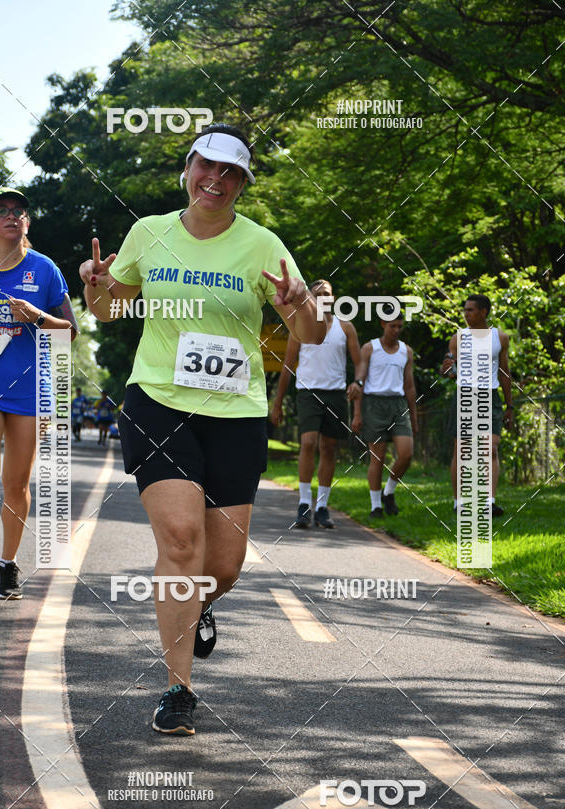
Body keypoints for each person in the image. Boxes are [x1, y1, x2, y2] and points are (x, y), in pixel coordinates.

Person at [79, 123, 325, 736]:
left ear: (241, 184)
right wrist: (95, 285)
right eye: (206, 166)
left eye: (230, 173)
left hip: (235, 412)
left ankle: (200, 605)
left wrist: (300, 303)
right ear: (188, 169)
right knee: (181, 543)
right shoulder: (149, 233)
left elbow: (313, 335)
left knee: (224, 566)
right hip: (158, 401)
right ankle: (178, 690)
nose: (215, 180)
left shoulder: (263, 244)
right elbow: (111, 310)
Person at [0, 187, 77, 605]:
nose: (13, 216)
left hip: (32, 387)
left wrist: (38, 316)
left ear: (26, 223)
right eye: (3, 211)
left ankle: (8, 563)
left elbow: (70, 331)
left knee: (16, 482)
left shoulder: (44, 270)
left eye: (20, 211)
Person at [270, 279, 361, 529]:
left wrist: (359, 382)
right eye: (318, 293)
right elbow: (287, 366)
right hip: (308, 393)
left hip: (335, 394)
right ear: (310, 297)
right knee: (308, 443)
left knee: (329, 449)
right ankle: (303, 504)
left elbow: (359, 361)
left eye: (327, 293)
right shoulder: (299, 326)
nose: (323, 297)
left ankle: (322, 506)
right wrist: (277, 404)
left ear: (333, 298)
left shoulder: (345, 327)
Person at [440, 294, 513, 516]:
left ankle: (488, 503)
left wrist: (510, 406)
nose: (466, 314)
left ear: (484, 312)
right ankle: (459, 502)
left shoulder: (500, 338)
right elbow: (448, 370)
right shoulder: (458, 338)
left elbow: (504, 372)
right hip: (464, 395)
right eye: (465, 310)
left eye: (470, 310)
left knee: (490, 448)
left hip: (490, 396)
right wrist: (446, 370)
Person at [349, 306, 418, 517]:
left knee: (406, 454)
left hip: (398, 404)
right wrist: (358, 414)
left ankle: (389, 491)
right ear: (382, 324)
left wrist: (413, 417)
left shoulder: (406, 351)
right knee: (377, 458)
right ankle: (375, 506)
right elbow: (359, 380)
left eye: (400, 326)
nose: (396, 330)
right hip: (374, 403)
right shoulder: (370, 348)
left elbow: (409, 385)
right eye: (392, 326)